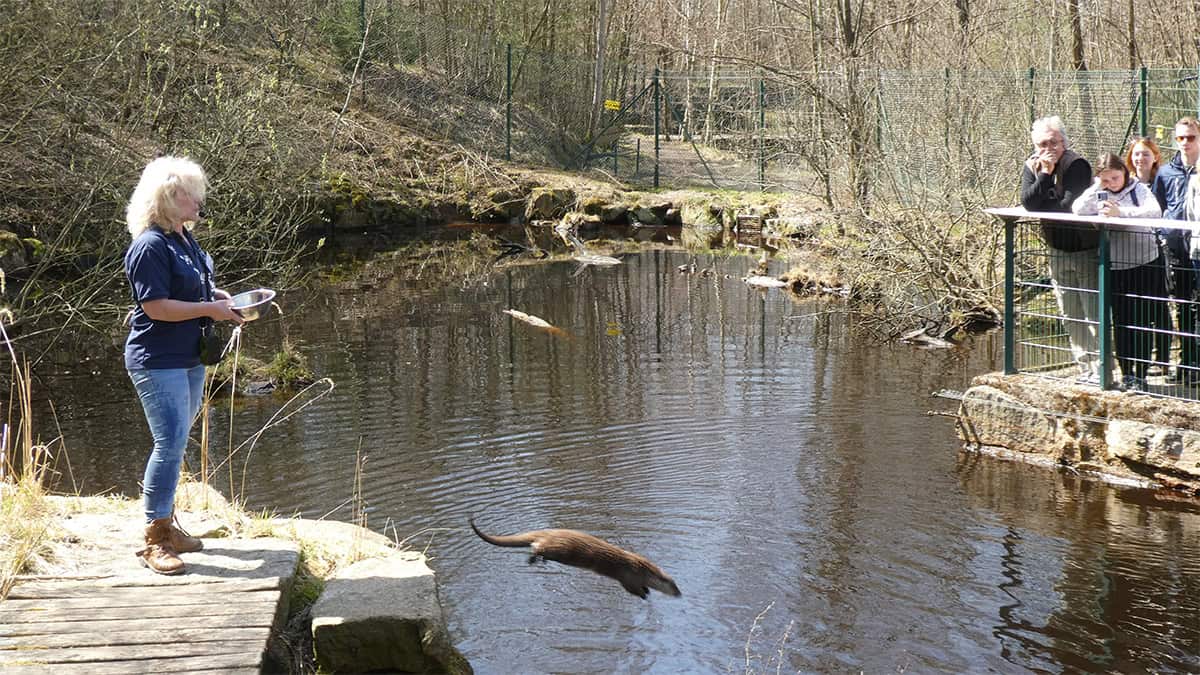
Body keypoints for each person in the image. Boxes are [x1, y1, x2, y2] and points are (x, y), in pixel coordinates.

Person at [124, 156, 243, 575]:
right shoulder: (150, 245)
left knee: (177, 440)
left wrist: (221, 300)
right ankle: (155, 539)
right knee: (169, 442)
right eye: (191, 194)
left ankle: (169, 526)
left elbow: (197, 289)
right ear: (169, 197)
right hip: (157, 360)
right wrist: (211, 309)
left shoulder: (184, 240)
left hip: (188, 356)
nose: (199, 201)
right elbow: (155, 307)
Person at [1072, 153, 1164, 391]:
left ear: (1124, 172)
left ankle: (1141, 375)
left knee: (1142, 319)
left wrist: (1120, 213)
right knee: (1121, 321)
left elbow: (1154, 212)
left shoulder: (1139, 189)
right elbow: (1078, 209)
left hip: (1145, 262)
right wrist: (1096, 188)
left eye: (1115, 177)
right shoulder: (1100, 192)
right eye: (1106, 179)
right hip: (1115, 265)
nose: (1112, 183)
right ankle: (1127, 374)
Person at [1020, 116, 1100, 381]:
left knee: (1092, 309)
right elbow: (1029, 202)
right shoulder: (1033, 166)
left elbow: (1068, 205)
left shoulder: (1076, 164)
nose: (1048, 149)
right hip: (1056, 248)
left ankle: (1102, 368)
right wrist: (1044, 175)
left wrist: (1044, 198)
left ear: (1063, 142)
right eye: (1043, 144)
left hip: (1084, 246)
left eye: (1054, 142)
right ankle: (1084, 366)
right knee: (1069, 312)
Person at [1151, 118, 1200, 384]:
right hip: (1175, 248)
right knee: (1181, 305)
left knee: (1197, 306)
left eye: (1190, 137)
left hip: (1198, 246)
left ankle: (1196, 365)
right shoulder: (1166, 172)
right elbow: (1158, 206)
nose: (1185, 143)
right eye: (1180, 138)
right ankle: (1185, 364)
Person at [1124, 137, 1173, 370]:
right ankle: (1140, 357)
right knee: (1139, 307)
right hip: (1132, 250)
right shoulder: (1127, 183)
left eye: (1145, 154)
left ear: (1155, 156)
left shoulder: (1161, 180)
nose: (1140, 158)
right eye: (1136, 154)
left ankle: (1162, 358)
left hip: (1158, 248)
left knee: (1159, 305)